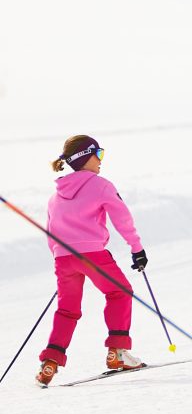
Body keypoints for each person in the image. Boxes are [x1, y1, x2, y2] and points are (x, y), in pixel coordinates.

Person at [33, 135, 147, 386]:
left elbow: (51, 233)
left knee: (67, 310)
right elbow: (122, 219)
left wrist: (61, 261)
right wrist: (136, 248)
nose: (101, 160)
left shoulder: (55, 196)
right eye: (99, 154)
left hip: (63, 259)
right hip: (93, 255)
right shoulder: (101, 185)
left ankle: (50, 363)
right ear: (86, 156)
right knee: (120, 292)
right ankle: (118, 353)